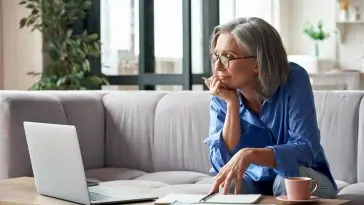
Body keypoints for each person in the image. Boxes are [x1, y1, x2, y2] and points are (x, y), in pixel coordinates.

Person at [203, 17, 337, 198]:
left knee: (286, 180)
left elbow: (306, 149)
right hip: (254, 181)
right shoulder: (223, 92)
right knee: (230, 185)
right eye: (216, 56)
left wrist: (251, 154)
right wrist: (232, 104)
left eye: (228, 57)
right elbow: (222, 163)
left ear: (257, 64)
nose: (218, 66)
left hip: (305, 177)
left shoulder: (294, 79)